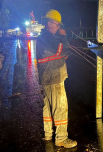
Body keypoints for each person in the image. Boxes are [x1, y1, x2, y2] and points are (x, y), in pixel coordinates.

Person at [36, 9, 77, 148]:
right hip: (53, 76)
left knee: (48, 107)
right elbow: (63, 50)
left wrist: (61, 53)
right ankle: (61, 138)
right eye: (57, 24)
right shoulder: (47, 37)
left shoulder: (45, 37)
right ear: (49, 23)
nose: (59, 27)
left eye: (59, 25)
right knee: (60, 107)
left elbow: (58, 54)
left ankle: (48, 134)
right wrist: (64, 37)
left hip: (48, 77)